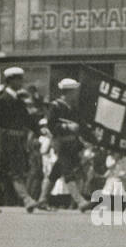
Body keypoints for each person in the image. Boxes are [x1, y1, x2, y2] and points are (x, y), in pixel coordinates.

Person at [0, 67, 39, 212]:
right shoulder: (0, 99)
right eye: (18, 79)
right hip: (4, 139)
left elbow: (27, 119)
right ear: (10, 80)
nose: (21, 82)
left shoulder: (19, 100)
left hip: (17, 139)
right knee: (15, 170)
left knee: (0, 170)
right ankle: (27, 199)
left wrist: (39, 130)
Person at [37, 79, 92, 211]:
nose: (77, 94)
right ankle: (80, 201)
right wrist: (67, 127)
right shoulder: (55, 106)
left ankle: (42, 199)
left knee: (55, 172)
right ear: (69, 92)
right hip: (61, 144)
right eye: (75, 91)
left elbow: (81, 126)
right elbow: (51, 125)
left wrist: (89, 134)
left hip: (72, 145)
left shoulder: (73, 107)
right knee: (67, 171)